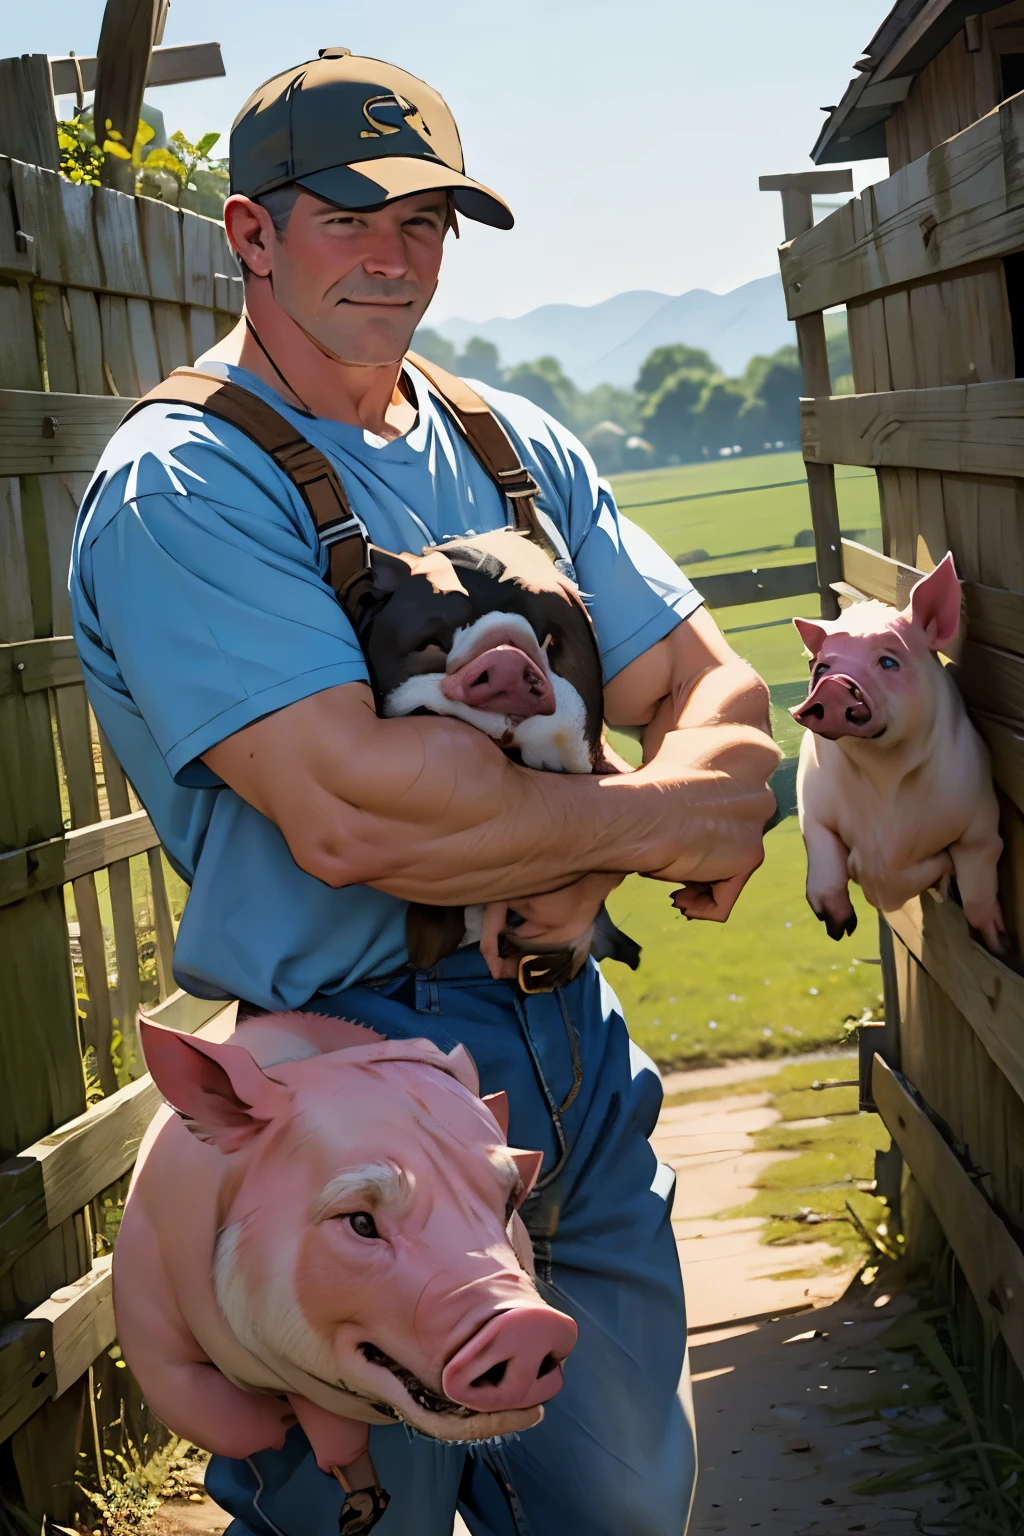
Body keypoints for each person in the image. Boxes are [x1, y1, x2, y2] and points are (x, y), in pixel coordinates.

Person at [71, 49, 780, 1536]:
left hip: (567, 1060)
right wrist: (656, 823)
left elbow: (729, 708)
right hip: (342, 1092)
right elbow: (354, 814)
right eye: (350, 218)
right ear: (250, 235)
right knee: (355, 1515)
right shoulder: (185, 486)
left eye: (428, 222)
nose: (396, 259)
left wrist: (626, 817)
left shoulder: (514, 448)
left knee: (631, 1509)